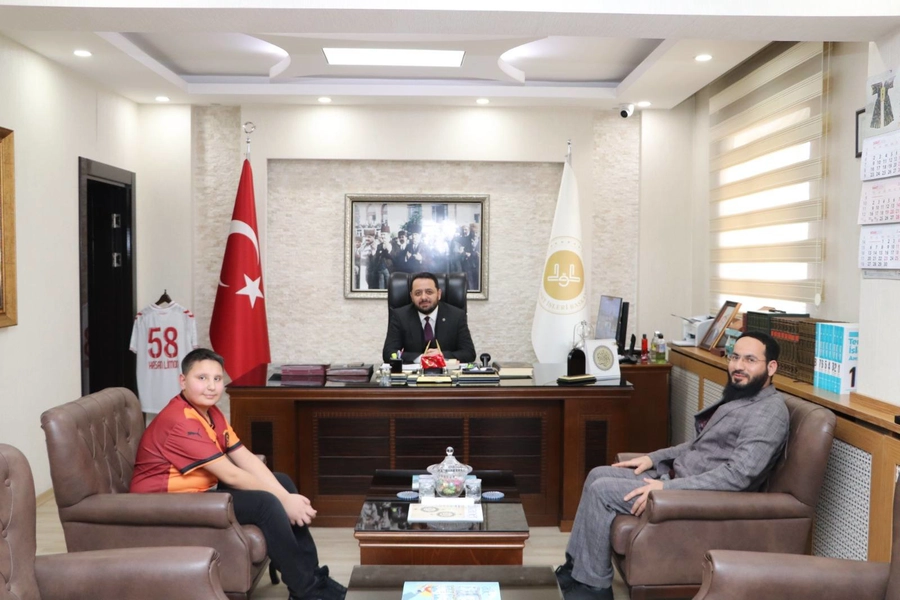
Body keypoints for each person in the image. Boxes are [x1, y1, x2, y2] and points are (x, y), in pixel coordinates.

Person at [556, 332, 789, 600]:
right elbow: (698, 445)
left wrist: (667, 488)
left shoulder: (768, 412)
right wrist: (652, 458)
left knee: (603, 491)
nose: (738, 366)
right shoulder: (743, 397)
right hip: (675, 476)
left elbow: (737, 476)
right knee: (597, 474)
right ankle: (576, 567)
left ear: (771, 367)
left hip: (690, 494)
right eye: (735, 357)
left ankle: (593, 589)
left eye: (750, 360)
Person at [130, 348, 346, 600]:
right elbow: (231, 475)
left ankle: (313, 577)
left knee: (282, 482)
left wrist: (285, 494)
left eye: (217, 379)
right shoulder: (181, 421)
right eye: (202, 378)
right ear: (183, 381)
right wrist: (283, 500)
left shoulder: (211, 412)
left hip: (198, 492)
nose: (211, 386)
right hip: (164, 503)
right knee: (267, 504)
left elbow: (245, 457)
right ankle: (306, 590)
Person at [382, 271, 476, 364]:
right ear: (411, 296)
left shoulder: (456, 315)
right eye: (418, 293)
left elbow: (469, 353)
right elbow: (388, 353)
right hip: (414, 373)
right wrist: (421, 358)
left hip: (447, 372)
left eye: (429, 292)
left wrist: (442, 355)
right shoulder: (400, 316)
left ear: (439, 294)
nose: (423, 297)